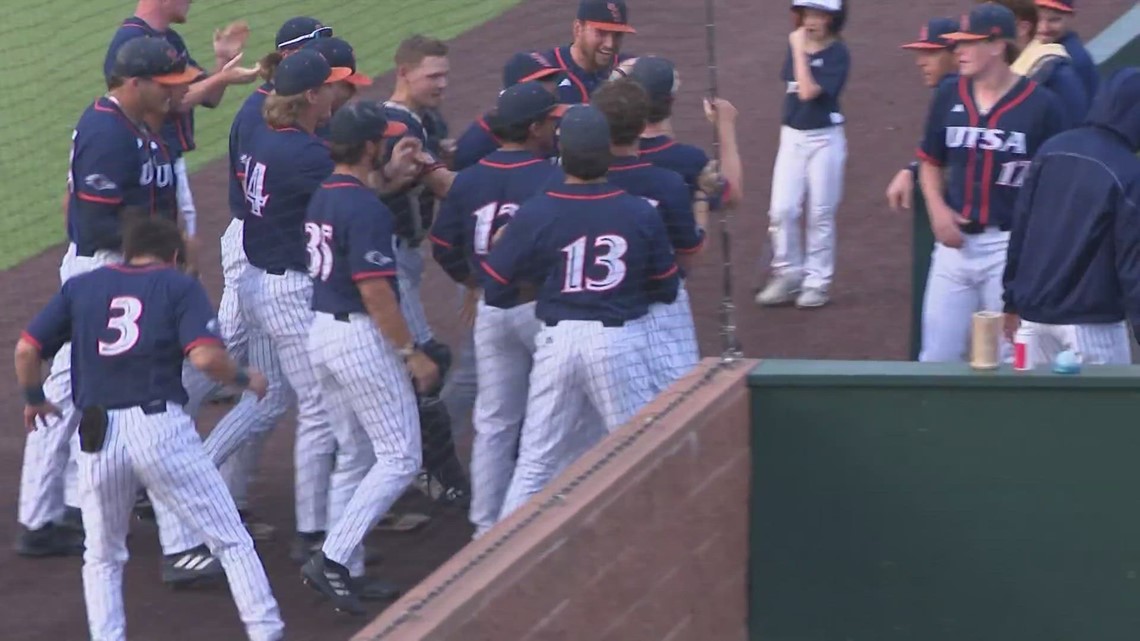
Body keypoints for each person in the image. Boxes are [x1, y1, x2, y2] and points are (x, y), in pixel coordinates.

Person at [14, 217, 284, 641]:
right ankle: (267, 633)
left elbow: (27, 349)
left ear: (127, 252)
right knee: (231, 541)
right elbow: (206, 359)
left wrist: (34, 399)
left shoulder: (82, 287)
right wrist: (247, 378)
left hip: (97, 436)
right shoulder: (178, 286)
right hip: (159, 430)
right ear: (174, 257)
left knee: (102, 557)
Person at [15, 36, 190, 559]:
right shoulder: (106, 131)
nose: (173, 93)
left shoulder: (132, 125)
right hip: (102, 271)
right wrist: (152, 248)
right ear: (133, 83)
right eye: (166, 84)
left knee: (86, 394)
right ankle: (39, 520)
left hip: (123, 269)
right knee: (66, 393)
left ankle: (66, 503)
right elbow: (93, 220)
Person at [482, 105, 680, 523]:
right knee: (636, 448)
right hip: (616, 343)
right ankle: (651, 538)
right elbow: (665, 286)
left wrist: (541, 281)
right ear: (607, 151)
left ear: (562, 153)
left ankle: (500, 556)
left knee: (536, 461)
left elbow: (496, 285)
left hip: (555, 340)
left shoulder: (536, 211)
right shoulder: (639, 211)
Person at [299, 101, 440, 613]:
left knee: (355, 453)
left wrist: (393, 182)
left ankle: (345, 572)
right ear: (369, 148)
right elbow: (377, 293)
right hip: (360, 339)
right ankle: (333, 558)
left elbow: (360, 205)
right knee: (401, 456)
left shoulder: (327, 196)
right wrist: (411, 353)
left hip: (322, 334)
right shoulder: (366, 209)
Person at [427, 81, 564, 539]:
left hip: (490, 307)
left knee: (493, 420)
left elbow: (443, 243)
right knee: (549, 416)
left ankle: (485, 527)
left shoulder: (469, 178)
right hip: (539, 309)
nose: (555, 127)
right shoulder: (550, 176)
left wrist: (473, 281)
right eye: (550, 121)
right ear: (533, 127)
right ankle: (533, 518)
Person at [915, 2, 1067, 362]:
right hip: (953, 251)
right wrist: (937, 211)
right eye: (957, 44)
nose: (959, 52)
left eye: (969, 43)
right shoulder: (949, 94)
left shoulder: (1042, 106)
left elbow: (1058, 182)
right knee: (935, 357)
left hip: (1008, 249)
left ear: (998, 45)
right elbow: (929, 161)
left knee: (1007, 361)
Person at [382, 35, 472, 509]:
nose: (443, 83)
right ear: (404, 73)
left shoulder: (422, 120)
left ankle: (411, 465)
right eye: (432, 75)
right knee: (426, 361)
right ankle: (436, 473)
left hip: (406, 256)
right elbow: (446, 187)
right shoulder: (398, 125)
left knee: (398, 368)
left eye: (445, 74)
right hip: (388, 258)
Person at [104, 0, 260, 273]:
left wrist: (222, 64)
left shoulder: (170, 38)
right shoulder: (130, 41)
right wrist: (223, 78)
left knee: (182, 250)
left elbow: (208, 96)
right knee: (167, 249)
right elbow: (175, 101)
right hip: (147, 167)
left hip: (170, 161)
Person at [1003, 68, 1140, 364]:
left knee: (1029, 410)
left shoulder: (1053, 148)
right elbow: (1133, 265)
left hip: (1032, 321)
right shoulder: (1129, 172)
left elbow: (1020, 232)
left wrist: (1010, 301)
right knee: (1104, 410)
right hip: (1092, 328)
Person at [591, 78, 705, 390]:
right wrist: (702, 204)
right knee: (679, 398)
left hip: (596, 312)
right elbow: (689, 254)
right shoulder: (667, 182)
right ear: (643, 125)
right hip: (660, 306)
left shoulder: (578, 182)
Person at [755, 0, 850, 309]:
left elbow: (807, 92)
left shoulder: (838, 54)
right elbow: (793, 82)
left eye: (819, 15)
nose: (811, 21)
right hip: (793, 137)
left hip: (825, 139)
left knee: (820, 213)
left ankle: (817, 282)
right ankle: (788, 274)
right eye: (807, 14)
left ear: (833, 19)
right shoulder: (798, 45)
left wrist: (798, 49)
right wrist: (799, 48)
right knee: (781, 210)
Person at [622, 55, 743, 211]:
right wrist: (725, 124)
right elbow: (731, 195)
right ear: (671, 100)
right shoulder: (690, 160)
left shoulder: (614, 152)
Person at [886, 17, 960, 211]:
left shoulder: (958, 91)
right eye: (920, 53)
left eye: (931, 53)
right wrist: (912, 169)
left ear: (956, 54)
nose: (920, 62)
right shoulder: (947, 93)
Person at [452, 51, 564, 171]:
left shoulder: (554, 117)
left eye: (551, 78)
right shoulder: (477, 142)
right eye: (540, 80)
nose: (551, 85)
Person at [985, 0, 1089, 126]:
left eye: (1054, 20)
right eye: (1038, 20)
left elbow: (1075, 121)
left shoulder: (1069, 62)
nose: (1043, 28)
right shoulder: (1028, 55)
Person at [539, 0, 637, 105]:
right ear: (578, 29)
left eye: (617, 35)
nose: (610, 44)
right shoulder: (545, 70)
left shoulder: (629, 66)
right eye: (601, 32)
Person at [1035, 0, 1099, 97]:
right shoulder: (1033, 47)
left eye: (1054, 20)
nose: (1044, 27)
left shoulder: (1073, 58)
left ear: (1070, 16)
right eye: (1036, 19)